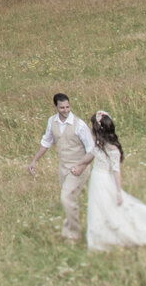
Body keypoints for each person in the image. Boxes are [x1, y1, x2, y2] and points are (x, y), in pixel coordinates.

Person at [84, 110, 146, 251]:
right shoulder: (98, 145)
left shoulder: (112, 149)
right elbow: (90, 156)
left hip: (104, 181)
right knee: (97, 208)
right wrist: (78, 165)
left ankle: (112, 235)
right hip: (96, 179)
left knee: (111, 207)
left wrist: (118, 191)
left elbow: (116, 170)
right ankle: (99, 236)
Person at [26, 92, 96, 242]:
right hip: (63, 168)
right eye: (62, 107)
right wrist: (34, 161)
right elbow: (46, 142)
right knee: (69, 199)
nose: (66, 110)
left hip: (79, 167)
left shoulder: (80, 125)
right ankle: (68, 231)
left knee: (66, 198)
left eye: (68, 107)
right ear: (56, 107)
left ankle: (74, 234)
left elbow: (92, 150)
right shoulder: (52, 122)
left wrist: (82, 166)